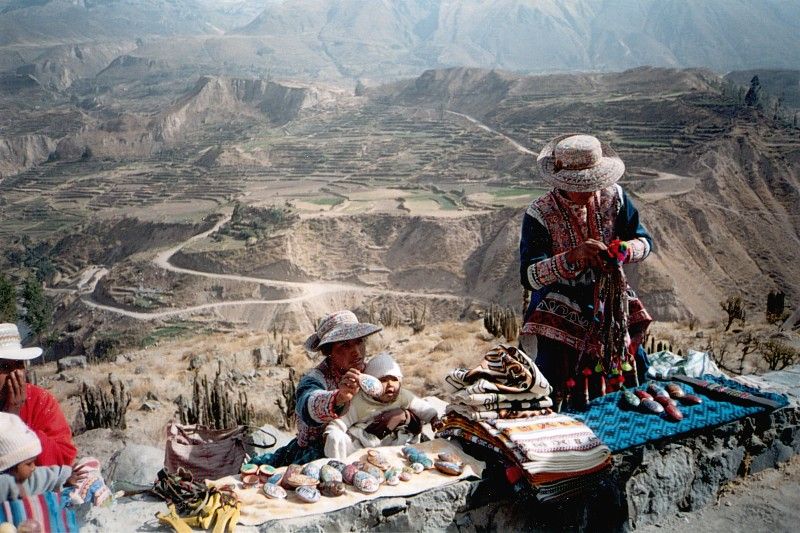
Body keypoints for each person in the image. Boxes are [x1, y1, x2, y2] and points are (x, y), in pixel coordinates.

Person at [518, 134, 653, 410]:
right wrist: (572, 257)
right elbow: (530, 275)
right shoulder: (540, 214)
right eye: (582, 185)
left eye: (596, 183)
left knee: (630, 361)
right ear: (561, 183)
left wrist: (623, 249)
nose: (592, 191)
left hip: (610, 297)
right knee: (557, 377)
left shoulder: (615, 198)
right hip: (560, 303)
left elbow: (645, 242)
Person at [256, 310, 382, 466]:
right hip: (317, 453)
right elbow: (308, 402)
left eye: (359, 342)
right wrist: (338, 398)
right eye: (345, 345)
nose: (356, 352)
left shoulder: (370, 371)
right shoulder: (314, 379)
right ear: (329, 351)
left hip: (361, 444)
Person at [323, 352, 440, 460]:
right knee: (346, 440)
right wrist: (333, 434)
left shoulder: (403, 396)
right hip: (366, 442)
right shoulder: (359, 402)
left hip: (394, 441)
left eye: (394, 380)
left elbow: (421, 407)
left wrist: (433, 418)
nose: (389, 384)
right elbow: (342, 421)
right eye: (383, 380)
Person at [0, 324, 77, 467]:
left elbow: (64, 457)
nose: (14, 374)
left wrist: (20, 426)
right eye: (4, 367)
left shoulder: (40, 400)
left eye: (19, 365)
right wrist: (10, 419)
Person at [0, 412, 72, 501]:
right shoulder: (6, 485)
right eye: (29, 464)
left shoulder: (20, 478)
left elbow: (43, 476)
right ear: (7, 467)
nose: (34, 467)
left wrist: (65, 477)